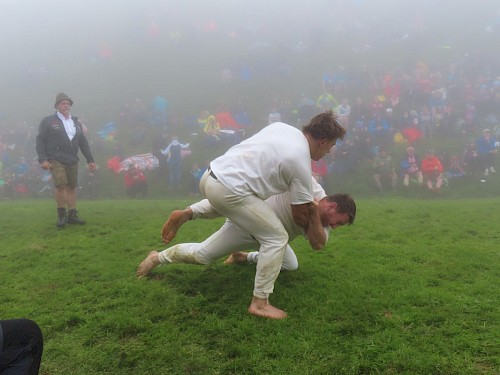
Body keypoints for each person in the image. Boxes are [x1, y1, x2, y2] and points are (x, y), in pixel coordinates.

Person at [140, 110, 346, 319]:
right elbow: (300, 216)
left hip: (212, 175)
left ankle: (188, 216)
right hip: (230, 191)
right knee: (277, 237)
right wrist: (309, 210)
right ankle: (260, 302)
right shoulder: (301, 162)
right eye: (330, 147)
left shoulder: (282, 129)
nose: (327, 153)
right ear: (322, 141)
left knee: (279, 247)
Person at [137, 178, 355, 292]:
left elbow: (318, 244)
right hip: (246, 226)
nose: (335, 227)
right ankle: (157, 257)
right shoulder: (307, 185)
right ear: (333, 206)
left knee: (291, 265)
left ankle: (243, 257)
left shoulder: (322, 221)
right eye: (339, 221)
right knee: (202, 255)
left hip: (273, 242)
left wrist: (314, 212)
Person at [36, 93, 96, 228]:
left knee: (72, 186)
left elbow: (83, 143)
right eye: (63, 103)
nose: (66, 105)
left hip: (72, 158)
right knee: (61, 185)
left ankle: (72, 215)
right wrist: (43, 159)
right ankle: (61, 215)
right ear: (57, 105)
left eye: (68, 103)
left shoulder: (76, 122)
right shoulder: (48, 121)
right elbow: (40, 140)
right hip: (55, 158)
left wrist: (90, 160)